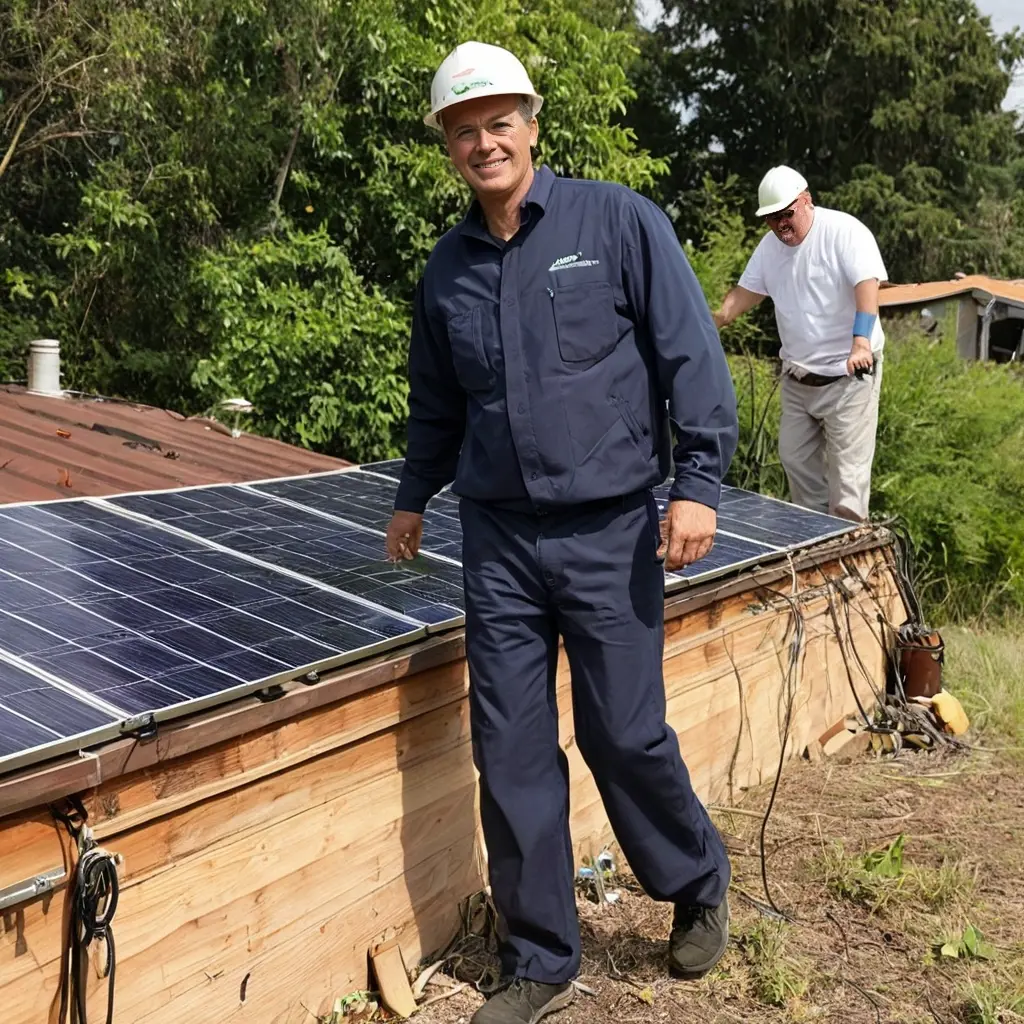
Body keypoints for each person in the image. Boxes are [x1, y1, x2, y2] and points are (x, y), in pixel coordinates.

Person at [385, 41, 738, 1024]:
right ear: (448, 147)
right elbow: (436, 403)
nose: (484, 143)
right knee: (511, 750)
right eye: (464, 130)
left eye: (499, 122)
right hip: (497, 539)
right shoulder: (447, 269)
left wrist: (697, 485)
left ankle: (696, 878)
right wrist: (413, 497)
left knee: (623, 732)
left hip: (610, 529)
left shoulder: (616, 221)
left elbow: (690, 355)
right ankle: (540, 957)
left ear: (532, 126)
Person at [713, 165, 888, 522]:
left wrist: (860, 343)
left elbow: (867, 284)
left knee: (848, 482)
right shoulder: (769, 249)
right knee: (795, 461)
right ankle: (813, 541)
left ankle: (848, 549)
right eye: (771, 218)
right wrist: (711, 322)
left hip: (848, 378)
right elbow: (744, 294)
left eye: (786, 214)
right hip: (798, 378)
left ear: (806, 200)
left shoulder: (843, 231)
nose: (781, 225)